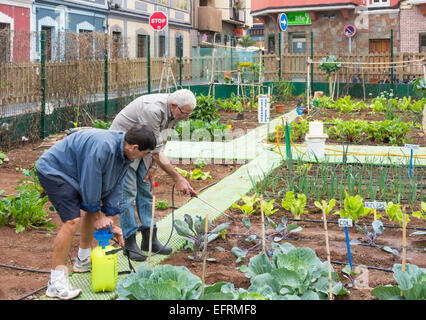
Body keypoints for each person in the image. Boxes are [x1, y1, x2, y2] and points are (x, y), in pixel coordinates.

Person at [36, 125, 156, 300]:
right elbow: (90, 181)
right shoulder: (102, 148)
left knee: (95, 210)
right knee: (71, 221)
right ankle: (55, 282)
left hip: (75, 173)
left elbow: (116, 185)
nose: (145, 157)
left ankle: (83, 260)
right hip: (55, 171)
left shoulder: (125, 151)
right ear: (135, 148)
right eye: (145, 153)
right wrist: (99, 214)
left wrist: (108, 217)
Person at [109, 89, 196, 261]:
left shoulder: (174, 114)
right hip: (124, 150)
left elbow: (160, 143)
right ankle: (130, 242)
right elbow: (155, 150)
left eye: (188, 115)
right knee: (128, 195)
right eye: (185, 113)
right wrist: (178, 178)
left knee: (146, 192)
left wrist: (153, 168)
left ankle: (150, 240)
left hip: (143, 150)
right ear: (173, 106)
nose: (186, 118)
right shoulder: (153, 110)